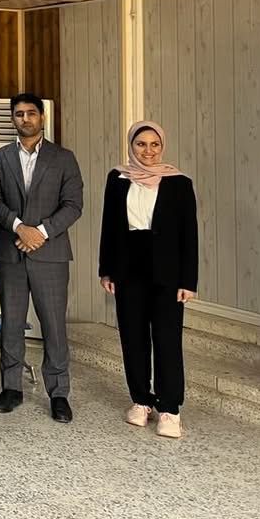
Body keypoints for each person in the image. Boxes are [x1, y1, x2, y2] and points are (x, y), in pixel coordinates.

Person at [0, 93, 83, 423]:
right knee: (11, 322)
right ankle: (11, 388)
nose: (25, 119)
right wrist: (19, 227)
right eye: (19, 114)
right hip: (10, 251)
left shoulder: (64, 158)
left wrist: (39, 232)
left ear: (42, 117)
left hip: (50, 253)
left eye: (31, 113)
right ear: (12, 119)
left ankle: (58, 393)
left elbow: (73, 205)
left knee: (54, 325)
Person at [99, 121, 198, 439]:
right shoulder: (118, 179)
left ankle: (170, 409)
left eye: (154, 144)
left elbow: (189, 234)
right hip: (128, 268)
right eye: (141, 144)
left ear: (162, 146)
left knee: (167, 339)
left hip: (168, 272)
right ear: (131, 146)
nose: (148, 151)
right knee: (133, 337)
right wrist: (106, 269)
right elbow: (109, 226)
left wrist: (189, 281)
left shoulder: (179, 182)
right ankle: (141, 400)